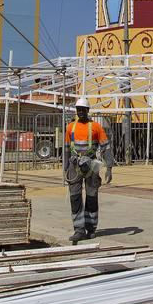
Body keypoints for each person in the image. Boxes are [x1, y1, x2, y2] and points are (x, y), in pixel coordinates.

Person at [64, 97, 112, 243]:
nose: (81, 112)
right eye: (79, 110)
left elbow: (106, 148)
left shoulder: (96, 127)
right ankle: (79, 230)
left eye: (83, 110)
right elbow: (66, 149)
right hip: (74, 165)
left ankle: (91, 228)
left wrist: (109, 168)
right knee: (75, 197)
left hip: (91, 165)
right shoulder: (70, 127)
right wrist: (65, 168)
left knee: (91, 197)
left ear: (88, 110)